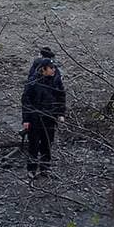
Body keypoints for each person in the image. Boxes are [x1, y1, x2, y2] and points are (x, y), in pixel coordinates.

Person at [21, 47, 69, 178]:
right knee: (33, 144)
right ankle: (31, 169)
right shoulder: (33, 82)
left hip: (50, 117)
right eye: (51, 68)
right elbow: (26, 101)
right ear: (44, 69)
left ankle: (45, 168)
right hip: (35, 118)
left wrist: (60, 113)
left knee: (47, 143)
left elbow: (61, 97)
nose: (54, 70)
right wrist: (26, 119)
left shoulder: (56, 81)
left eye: (54, 68)